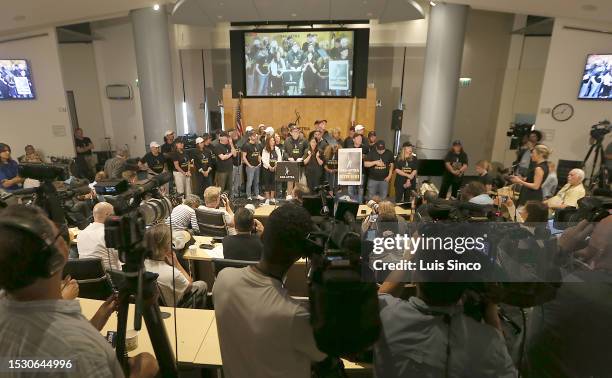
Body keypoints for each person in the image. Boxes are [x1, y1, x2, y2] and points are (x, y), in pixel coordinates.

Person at [0, 205, 159, 378]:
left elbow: (36, 363)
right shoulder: (80, 351)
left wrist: (101, 315)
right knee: (147, 363)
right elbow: (68, 355)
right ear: (58, 252)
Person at [213, 204, 326, 378]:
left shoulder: (223, 280)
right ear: (300, 255)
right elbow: (326, 353)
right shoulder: (296, 316)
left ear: (262, 236)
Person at [526, 216, 612, 377]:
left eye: (591, 240)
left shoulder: (571, 289)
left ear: (600, 250)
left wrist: (560, 248)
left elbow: (523, 285)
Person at [144, 224, 208, 308]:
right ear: (167, 247)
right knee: (201, 285)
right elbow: (189, 285)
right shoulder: (172, 273)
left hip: (151, 306)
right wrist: (177, 264)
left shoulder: (140, 266)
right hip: (173, 307)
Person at [77, 202, 121, 271]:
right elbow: (123, 259)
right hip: (112, 278)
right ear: (108, 215)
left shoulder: (81, 234)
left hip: (87, 277)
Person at [284, 125, 306, 194]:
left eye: (297, 131)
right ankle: (289, 195)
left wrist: (302, 158)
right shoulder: (287, 140)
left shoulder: (303, 140)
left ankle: (297, 196)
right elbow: (284, 151)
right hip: (291, 164)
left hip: (300, 164)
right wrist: (288, 158)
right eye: (294, 131)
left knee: (298, 181)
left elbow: (307, 150)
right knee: (290, 180)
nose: (296, 133)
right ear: (290, 133)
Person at [243, 131, 264, 201]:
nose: (255, 137)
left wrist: (260, 161)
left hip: (257, 166)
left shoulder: (257, 145)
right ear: (250, 137)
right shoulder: (246, 145)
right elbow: (244, 157)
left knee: (257, 181)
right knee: (249, 182)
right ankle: (248, 196)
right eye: (253, 136)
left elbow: (258, 154)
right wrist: (249, 165)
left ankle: (257, 194)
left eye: (256, 136)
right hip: (250, 167)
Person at [348, 133, 367, 203]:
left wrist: (364, 157)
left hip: (361, 172)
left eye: (361, 139)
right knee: (350, 188)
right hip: (351, 172)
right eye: (358, 138)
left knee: (360, 189)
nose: (360, 140)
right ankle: (351, 204)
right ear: (353, 140)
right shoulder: (349, 148)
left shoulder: (365, 148)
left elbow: (369, 159)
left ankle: (360, 204)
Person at [261, 136, 282, 202]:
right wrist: (269, 166)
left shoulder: (277, 149)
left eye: (273, 140)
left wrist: (276, 166)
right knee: (267, 182)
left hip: (275, 168)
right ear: (268, 142)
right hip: (267, 168)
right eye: (271, 140)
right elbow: (263, 159)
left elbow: (279, 158)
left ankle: (272, 198)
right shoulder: (265, 149)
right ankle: (267, 198)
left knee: (273, 182)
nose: (273, 142)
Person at [230, 130, 243, 199]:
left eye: (236, 134)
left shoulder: (239, 143)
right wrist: (231, 143)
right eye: (234, 134)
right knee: (232, 180)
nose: (236, 135)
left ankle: (236, 193)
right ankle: (232, 195)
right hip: (232, 164)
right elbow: (233, 154)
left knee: (238, 180)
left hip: (239, 164)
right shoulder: (230, 144)